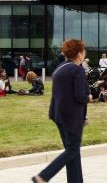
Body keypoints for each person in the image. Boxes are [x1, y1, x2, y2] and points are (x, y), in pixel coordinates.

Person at [32, 39, 91, 183]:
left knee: (73, 151)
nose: (84, 54)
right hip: (71, 118)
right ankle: (43, 176)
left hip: (58, 115)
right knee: (72, 150)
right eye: (83, 51)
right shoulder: (77, 70)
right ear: (79, 54)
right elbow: (80, 96)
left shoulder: (61, 68)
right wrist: (88, 96)